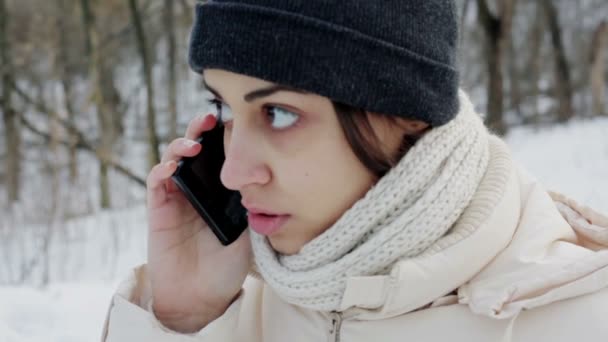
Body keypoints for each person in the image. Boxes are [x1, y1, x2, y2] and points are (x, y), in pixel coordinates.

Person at [101, 1, 608, 341]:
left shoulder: (579, 319)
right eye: (226, 109)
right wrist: (184, 319)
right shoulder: (241, 309)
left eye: (278, 113)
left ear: (407, 113)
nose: (232, 173)